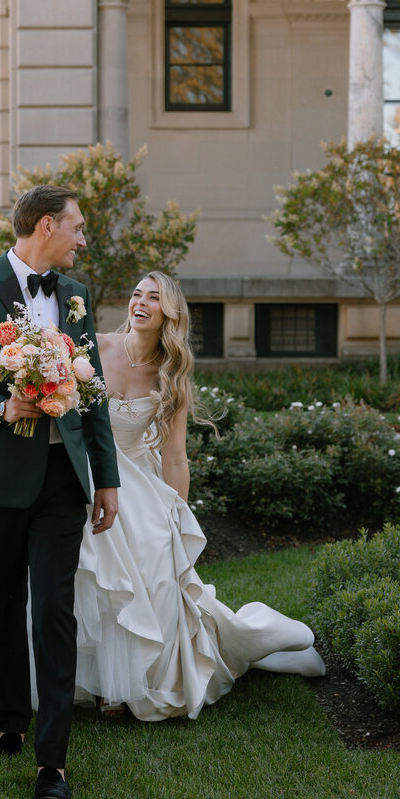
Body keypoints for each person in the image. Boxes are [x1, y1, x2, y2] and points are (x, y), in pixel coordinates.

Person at [0, 184, 120, 799]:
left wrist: (107, 477)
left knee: (55, 612)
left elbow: (92, 393)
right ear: (45, 226)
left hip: (63, 480)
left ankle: (53, 763)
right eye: (77, 227)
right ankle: (11, 717)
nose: (83, 238)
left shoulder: (76, 297)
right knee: (4, 605)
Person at [71, 271, 325, 721]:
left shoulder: (172, 375)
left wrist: (176, 515)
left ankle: (135, 683)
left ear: (170, 312)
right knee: (89, 572)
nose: (140, 303)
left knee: (153, 566)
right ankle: (96, 684)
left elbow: (174, 457)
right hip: (80, 473)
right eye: (136, 294)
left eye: (154, 297)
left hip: (137, 483)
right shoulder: (94, 348)